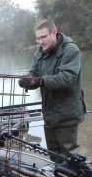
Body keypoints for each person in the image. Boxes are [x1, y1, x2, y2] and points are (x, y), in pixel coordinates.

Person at [19, 20, 86, 163]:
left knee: (70, 156)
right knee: (54, 156)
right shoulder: (39, 54)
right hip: (49, 114)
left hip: (67, 114)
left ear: (54, 33)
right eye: (38, 38)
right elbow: (34, 76)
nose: (40, 41)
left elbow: (67, 78)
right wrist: (26, 81)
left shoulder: (71, 50)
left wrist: (41, 81)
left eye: (43, 37)